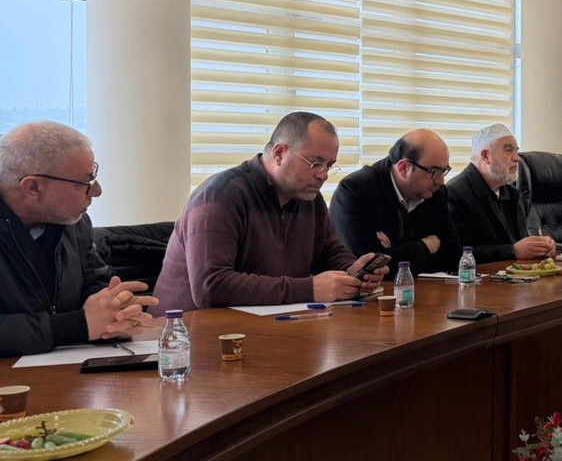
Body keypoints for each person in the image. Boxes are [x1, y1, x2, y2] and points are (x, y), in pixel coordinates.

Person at [154, 112, 387, 312]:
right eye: (315, 163)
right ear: (279, 153)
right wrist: (309, 289)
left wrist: (353, 272)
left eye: (329, 165)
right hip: (185, 334)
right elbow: (211, 287)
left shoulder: (309, 198)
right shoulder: (219, 196)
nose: (323, 175)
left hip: (268, 325)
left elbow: (329, 254)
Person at [0, 122, 157, 357]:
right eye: (85, 183)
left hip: (69, 370)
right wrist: (78, 325)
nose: (97, 191)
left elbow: (94, 283)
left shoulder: (74, 223)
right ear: (33, 187)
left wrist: (116, 310)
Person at [330, 129, 460, 276]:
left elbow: (453, 255)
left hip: (423, 288)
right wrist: (425, 246)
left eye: (444, 171)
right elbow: (367, 267)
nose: (441, 181)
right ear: (404, 168)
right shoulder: (355, 191)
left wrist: (393, 251)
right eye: (434, 171)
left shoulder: (435, 192)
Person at [446, 124, 555, 264]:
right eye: (508, 150)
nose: (517, 158)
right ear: (486, 156)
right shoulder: (455, 193)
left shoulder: (511, 194)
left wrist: (541, 247)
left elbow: (521, 241)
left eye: (516, 151)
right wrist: (513, 251)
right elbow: (456, 254)